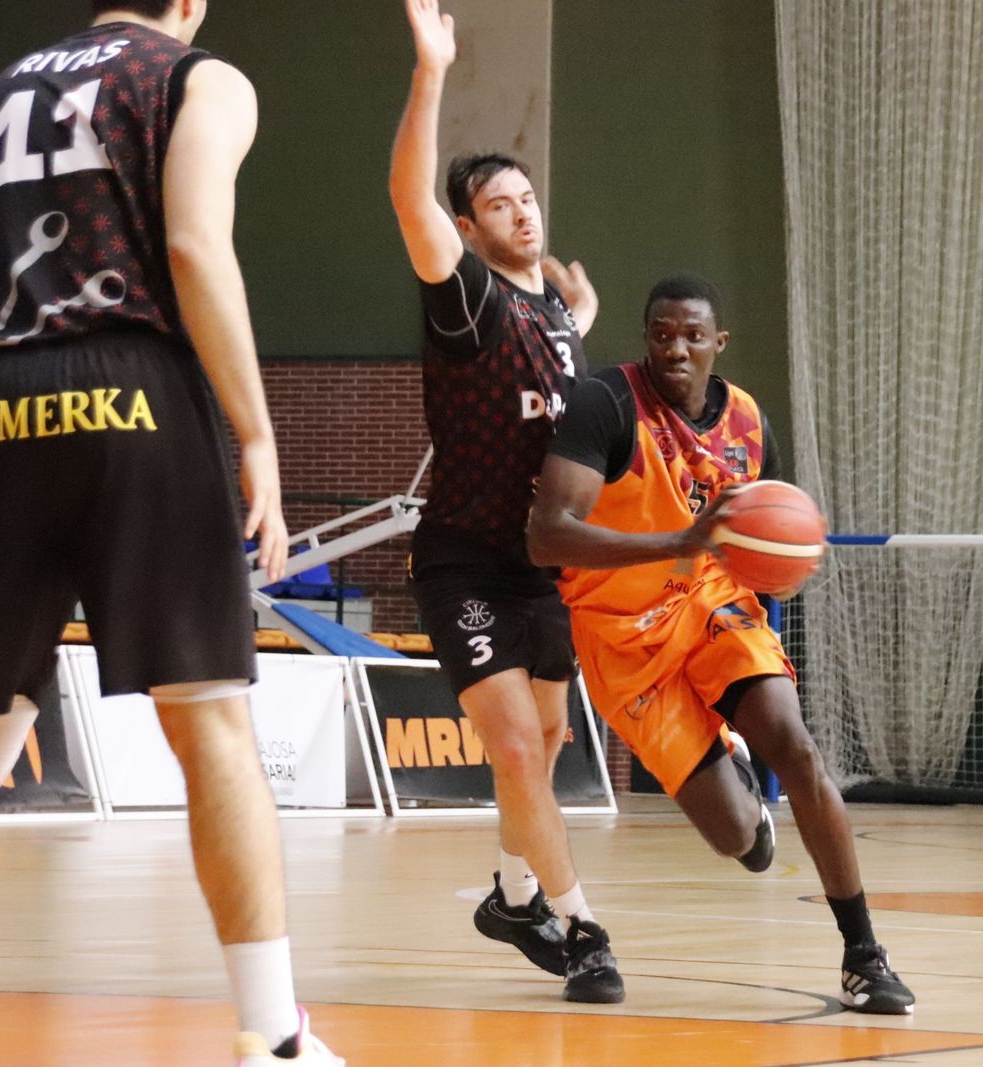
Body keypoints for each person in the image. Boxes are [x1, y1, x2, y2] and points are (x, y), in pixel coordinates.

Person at [0, 2, 341, 1063]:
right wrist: (257, 432)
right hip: (131, 388)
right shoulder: (195, 76)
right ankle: (272, 1034)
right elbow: (190, 241)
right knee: (211, 723)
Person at [527, 273, 917, 1015]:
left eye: (692, 336)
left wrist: (784, 561)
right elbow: (547, 536)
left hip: (710, 603)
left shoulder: (744, 421)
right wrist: (681, 538)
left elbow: (757, 535)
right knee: (738, 836)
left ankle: (864, 954)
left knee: (795, 746)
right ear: (647, 338)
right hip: (621, 635)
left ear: (717, 343)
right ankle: (734, 781)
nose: (676, 348)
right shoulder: (606, 403)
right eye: (662, 334)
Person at [387, 0, 619, 1005]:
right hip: (463, 560)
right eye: (498, 204)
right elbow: (408, 201)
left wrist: (582, 316)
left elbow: (556, 354)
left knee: (553, 745)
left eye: (527, 197)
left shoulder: (555, 317)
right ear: (470, 229)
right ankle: (581, 926)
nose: (521, 211)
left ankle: (512, 893)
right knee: (518, 744)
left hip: (538, 565)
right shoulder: (468, 299)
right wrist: (431, 72)